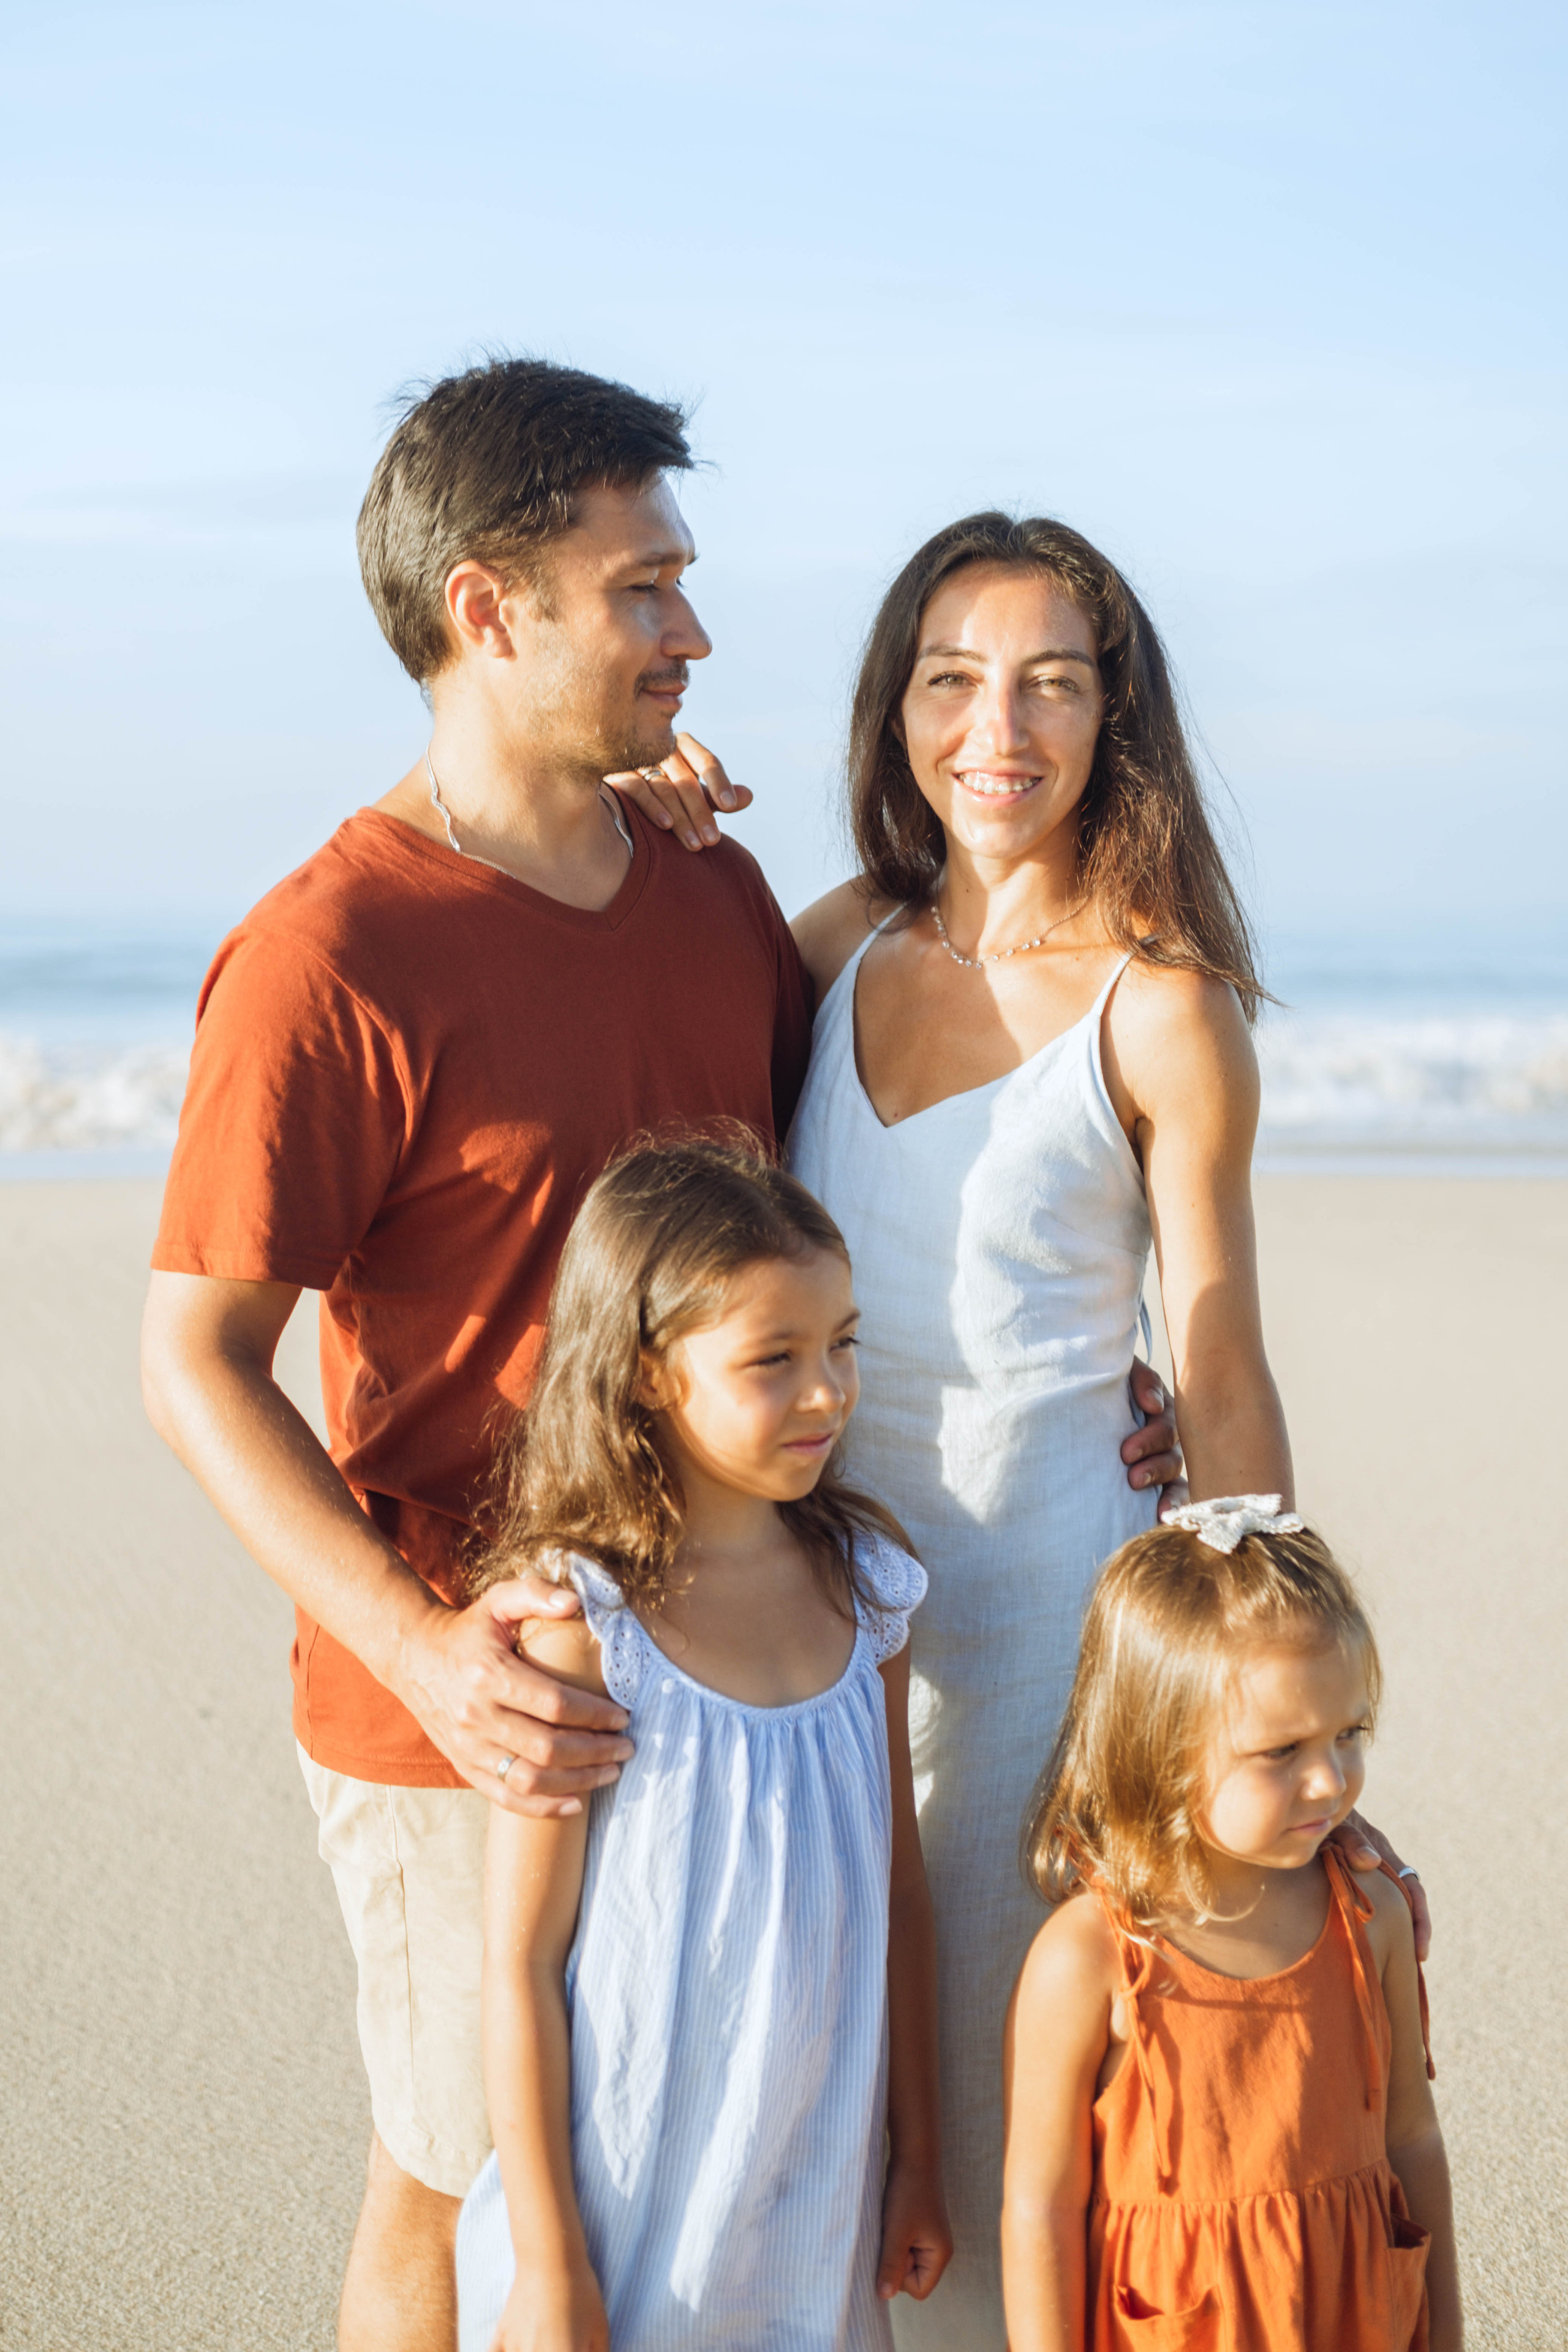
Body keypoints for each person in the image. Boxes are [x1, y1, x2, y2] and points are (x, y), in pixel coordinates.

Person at [138, 357, 820, 2352]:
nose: (693, 629)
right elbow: (195, 1361)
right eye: (644, 590)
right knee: (458, 2191)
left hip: (720, 1660)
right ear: (490, 609)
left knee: (681, 2174)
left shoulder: (710, 887)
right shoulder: (328, 956)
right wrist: (423, 1655)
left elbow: (824, 1191)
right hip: (471, 1692)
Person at [775, 511, 1426, 2342]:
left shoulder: (1162, 1000)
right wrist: (650, 801)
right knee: (829, 2121)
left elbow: (1216, 1357)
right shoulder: (828, 944)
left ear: (1112, 715)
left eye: (1054, 682)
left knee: (1020, 2136)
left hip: (1055, 1641)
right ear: (894, 703)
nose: (1002, 726)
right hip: (817, 1640)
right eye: (955, 678)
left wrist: (1265, 1687)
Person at [452, 1137, 951, 2350]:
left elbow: (894, 1887)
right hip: (619, 2210)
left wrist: (918, 2158)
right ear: (642, 1376)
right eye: (772, 1361)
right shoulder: (585, 1625)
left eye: (841, 1345)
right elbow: (519, 1967)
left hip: (809, 2199)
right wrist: (547, 2262)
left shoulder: (863, 1585)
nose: (828, 1392)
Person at [1001, 1498, 1461, 2352]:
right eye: (1282, 1752)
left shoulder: (1375, 1920)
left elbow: (1413, 2137)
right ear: (1160, 1748)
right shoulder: (1091, 1957)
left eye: (1349, 1733)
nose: (1329, 1782)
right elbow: (1041, 2208)